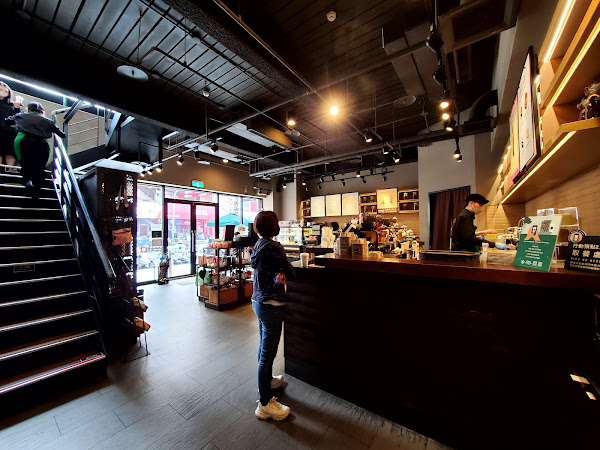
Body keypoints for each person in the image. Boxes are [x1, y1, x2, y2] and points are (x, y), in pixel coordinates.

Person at [251, 210, 295, 421]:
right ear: (274, 227)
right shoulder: (275, 247)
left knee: (263, 349)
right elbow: (291, 272)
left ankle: (266, 382)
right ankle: (265, 403)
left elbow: (268, 272)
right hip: (272, 304)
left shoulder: (258, 245)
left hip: (258, 302)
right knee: (268, 354)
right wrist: (284, 272)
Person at [6, 102, 65, 199]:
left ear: (29, 109)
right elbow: (61, 134)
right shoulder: (48, 121)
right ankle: (36, 191)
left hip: (23, 141)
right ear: (42, 111)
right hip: (42, 144)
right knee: (39, 168)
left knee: (25, 166)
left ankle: (28, 182)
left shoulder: (21, 116)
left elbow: (8, 121)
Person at [0, 81, 23, 166]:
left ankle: (10, 170)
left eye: (5, 91)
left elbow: (17, 120)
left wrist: (17, 109)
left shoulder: (12, 105)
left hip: (8, 133)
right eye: (0, 89)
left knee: (10, 154)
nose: (3, 92)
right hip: (5, 131)